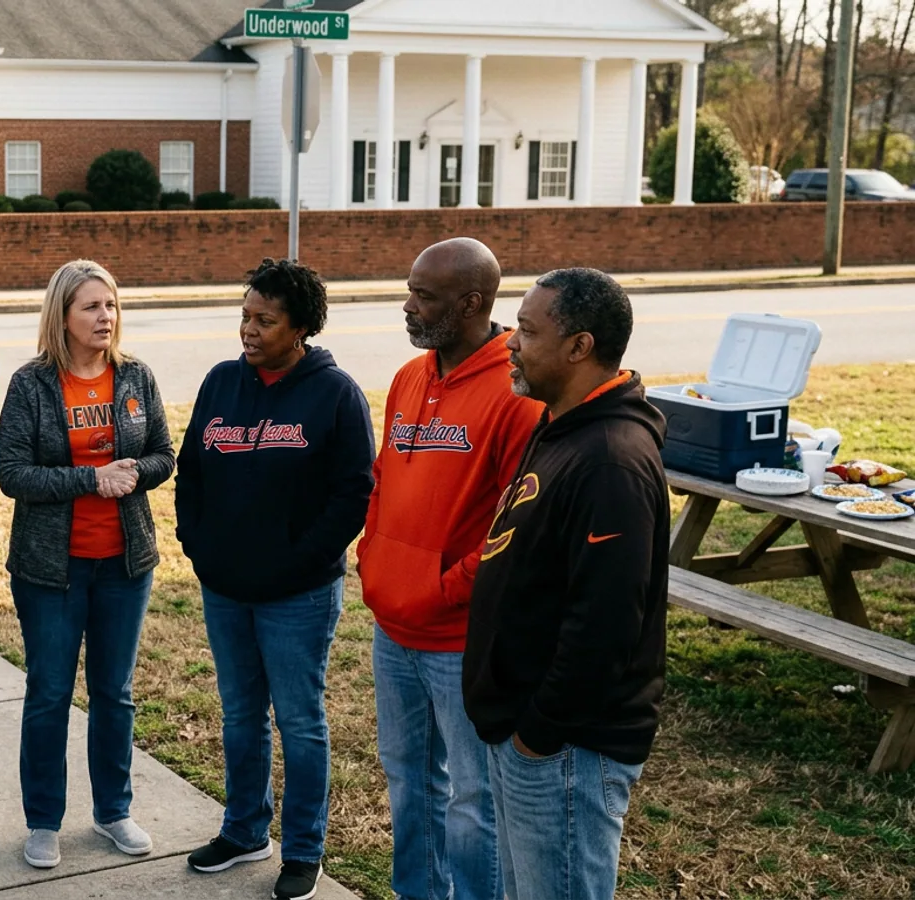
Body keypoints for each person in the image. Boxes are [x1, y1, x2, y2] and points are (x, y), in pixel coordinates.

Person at [463, 267, 669, 900]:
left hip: (566, 752)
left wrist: (538, 734)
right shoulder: (560, 426)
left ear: (580, 346)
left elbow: (604, 626)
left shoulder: (610, 459)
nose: (511, 343)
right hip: (528, 737)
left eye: (526, 330)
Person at [175, 258, 375, 900]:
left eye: (266, 320)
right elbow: (192, 472)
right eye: (245, 315)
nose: (249, 330)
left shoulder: (335, 393)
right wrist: (199, 546)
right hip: (225, 587)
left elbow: (353, 495)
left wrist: (297, 562)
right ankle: (243, 831)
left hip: (299, 595)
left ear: (301, 327)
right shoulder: (220, 383)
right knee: (239, 715)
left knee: (299, 720)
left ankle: (303, 849)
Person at [356, 238, 543, 900]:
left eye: (423, 297)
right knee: (407, 779)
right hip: (392, 627)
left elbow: (514, 529)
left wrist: (439, 591)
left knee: (472, 800)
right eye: (408, 290)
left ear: (472, 304)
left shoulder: (517, 393)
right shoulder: (411, 378)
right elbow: (384, 480)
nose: (408, 307)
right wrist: (373, 558)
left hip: (460, 639)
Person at [0, 259, 174, 870]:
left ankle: (113, 811)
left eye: (112, 305)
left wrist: (129, 474)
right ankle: (44, 820)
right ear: (62, 317)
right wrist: (90, 480)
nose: (106, 317)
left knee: (114, 694)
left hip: (125, 564)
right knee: (48, 693)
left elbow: (162, 455)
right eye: (92, 307)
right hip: (51, 570)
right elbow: (12, 474)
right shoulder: (31, 384)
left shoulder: (136, 378)